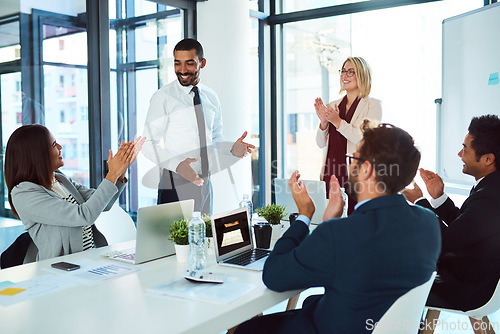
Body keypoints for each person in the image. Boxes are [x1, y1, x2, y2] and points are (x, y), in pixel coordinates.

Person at [235, 122, 441, 334]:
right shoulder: (428, 223)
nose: (348, 166)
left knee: (247, 329)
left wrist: (305, 215)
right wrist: (330, 224)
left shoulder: (342, 234)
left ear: (367, 169)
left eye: (354, 159)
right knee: (309, 302)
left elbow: (274, 276)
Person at [142, 38, 254, 215]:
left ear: (202, 63)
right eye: (177, 63)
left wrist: (232, 148)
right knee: (173, 242)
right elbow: (147, 143)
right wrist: (178, 165)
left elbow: (215, 138)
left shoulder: (211, 97)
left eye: (190, 63)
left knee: (204, 238)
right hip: (174, 183)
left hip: (205, 183)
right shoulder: (163, 97)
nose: (183, 70)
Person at [4, 124, 145, 261]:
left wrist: (119, 173)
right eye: (54, 145)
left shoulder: (59, 179)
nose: (60, 147)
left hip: (89, 260)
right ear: (37, 154)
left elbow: (103, 203)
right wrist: (112, 174)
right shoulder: (24, 194)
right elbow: (83, 215)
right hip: (61, 269)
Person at [403, 114, 500, 311]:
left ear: (488, 159)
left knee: (394, 280)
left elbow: (445, 240)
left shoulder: (490, 196)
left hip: (465, 289)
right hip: (472, 280)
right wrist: (439, 197)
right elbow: (465, 229)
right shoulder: (490, 185)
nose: (459, 154)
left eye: (465, 149)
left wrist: (420, 201)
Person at [314, 56, 382, 215]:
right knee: (331, 222)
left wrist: (337, 121)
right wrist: (324, 123)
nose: (344, 75)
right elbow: (320, 143)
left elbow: (364, 139)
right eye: (343, 71)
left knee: (354, 222)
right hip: (331, 173)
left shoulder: (373, 105)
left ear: (363, 75)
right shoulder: (333, 105)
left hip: (356, 176)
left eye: (351, 72)